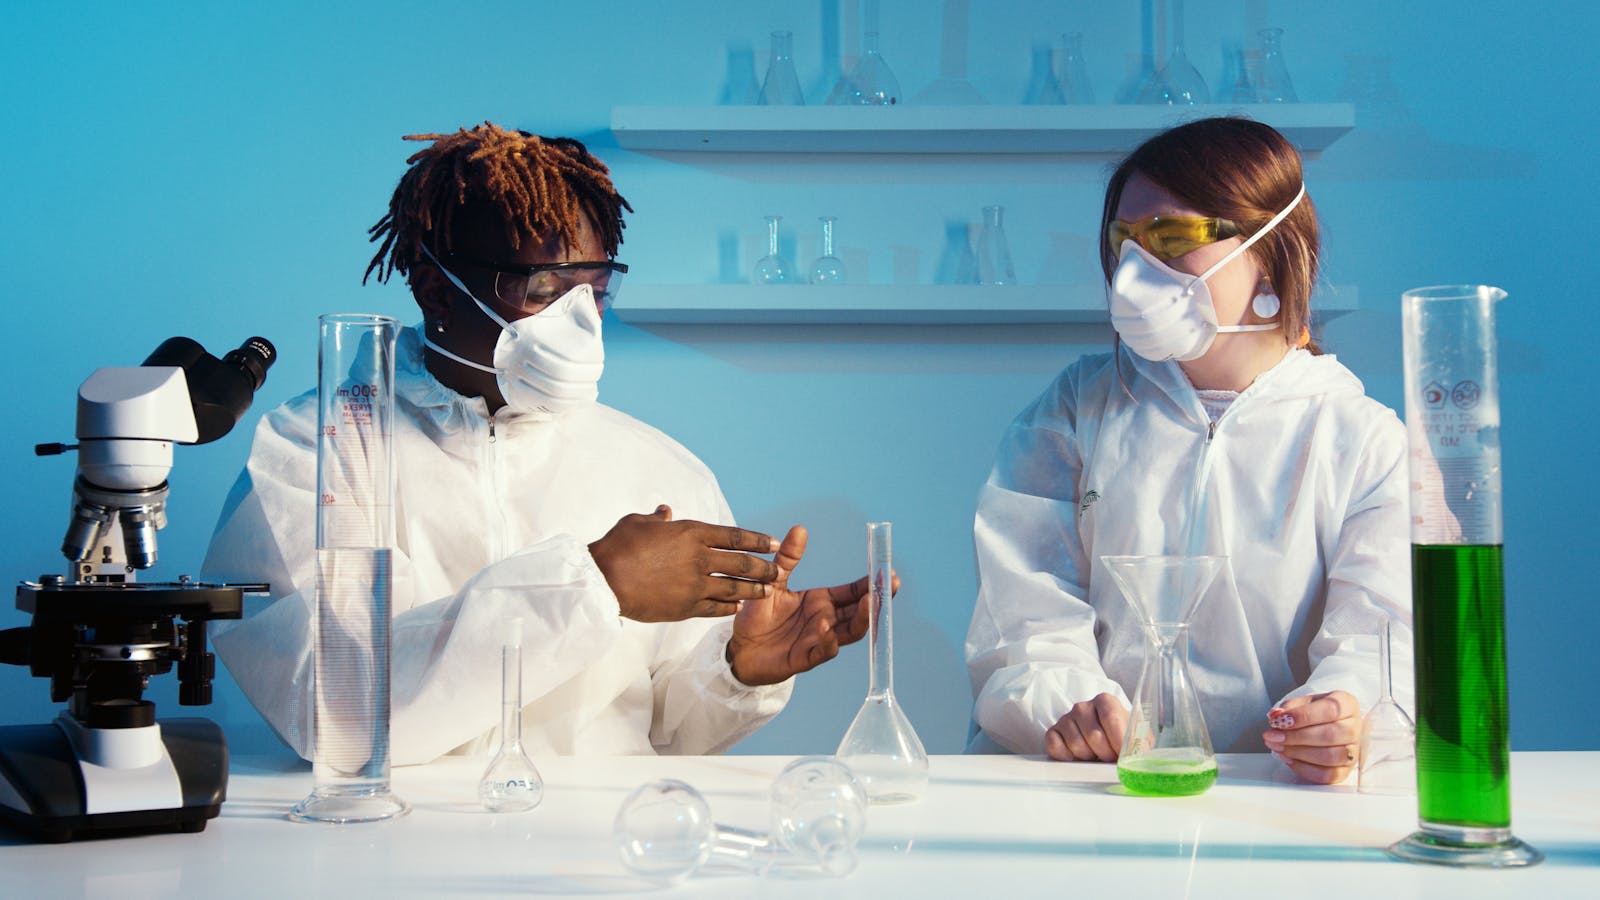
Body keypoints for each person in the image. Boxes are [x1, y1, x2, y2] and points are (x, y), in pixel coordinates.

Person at [203, 123, 871, 765]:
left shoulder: (658, 468)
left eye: (595, 291)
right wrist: (594, 583)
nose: (578, 323)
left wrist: (736, 671)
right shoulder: (315, 454)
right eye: (543, 289)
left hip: (600, 837)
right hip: (403, 837)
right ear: (437, 291)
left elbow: (670, 733)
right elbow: (337, 711)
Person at [964, 117, 1412, 784]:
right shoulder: (1075, 410)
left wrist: (1342, 714)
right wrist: (1073, 707)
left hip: (1277, 793)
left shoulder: (1360, 439)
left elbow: (1385, 638)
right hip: (1097, 786)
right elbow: (1024, 616)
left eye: (1172, 240)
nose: (1134, 274)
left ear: (1271, 250)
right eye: (1124, 243)